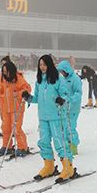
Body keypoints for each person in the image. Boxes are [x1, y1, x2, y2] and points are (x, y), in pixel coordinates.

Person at [22, 55, 75, 183]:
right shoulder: (39, 80)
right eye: (40, 65)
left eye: (44, 65)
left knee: (59, 142)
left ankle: (68, 168)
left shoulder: (58, 79)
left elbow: (65, 95)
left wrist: (61, 100)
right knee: (44, 141)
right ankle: (49, 166)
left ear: (50, 65)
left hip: (56, 116)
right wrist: (29, 97)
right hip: (43, 117)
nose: (42, 67)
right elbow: (37, 98)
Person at [0, 61, 31, 157]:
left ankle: (23, 147)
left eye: (6, 71)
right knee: (6, 128)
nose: (5, 74)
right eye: (3, 71)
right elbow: (3, 90)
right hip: (6, 107)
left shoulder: (18, 78)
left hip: (17, 108)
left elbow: (27, 88)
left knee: (16, 129)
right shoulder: (5, 79)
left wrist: (18, 93)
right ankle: (7, 146)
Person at [57, 60, 82, 155]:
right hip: (64, 108)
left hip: (73, 108)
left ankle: (74, 145)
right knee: (64, 127)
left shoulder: (75, 79)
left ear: (67, 70)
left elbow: (78, 93)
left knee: (71, 127)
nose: (61, 73)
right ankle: (67, 144)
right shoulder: (62, 79)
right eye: (60, 71)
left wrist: (70, 99)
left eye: (62, 71)